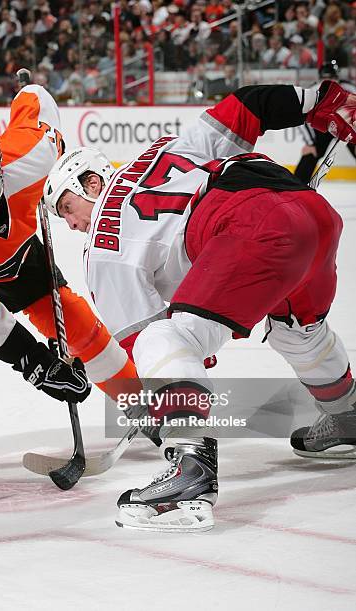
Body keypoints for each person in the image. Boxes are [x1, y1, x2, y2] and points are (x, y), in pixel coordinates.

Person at [43, 79, 356, 531]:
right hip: (313, 215)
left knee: (164, 337)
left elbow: (146, 341)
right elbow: (248, 105)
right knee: (298, 332)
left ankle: (190, 470)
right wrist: (319, 100)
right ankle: (347, 414)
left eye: (67, 208)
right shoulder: (164, 148)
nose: (72, 224)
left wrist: (162, 395)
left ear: (92, 182)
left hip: (250, 230)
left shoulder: (102, 245)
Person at [0, 79, 137, 414]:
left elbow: (37, 99)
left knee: (70, 320)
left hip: (7, 245)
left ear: (0, 178)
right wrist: (36, 364)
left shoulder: (32, 156)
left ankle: (141, 401)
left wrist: (27, 88)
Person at [294, 61, 356, 184]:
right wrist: (310, 143)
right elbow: (301, 117)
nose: (329, 81)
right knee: (311, 153)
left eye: (332, 78)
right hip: (322, 128)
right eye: (325, 78)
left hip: (347, 127)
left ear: (337, 77)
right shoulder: (312, 91)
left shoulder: (350, 89)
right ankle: (295, 186)